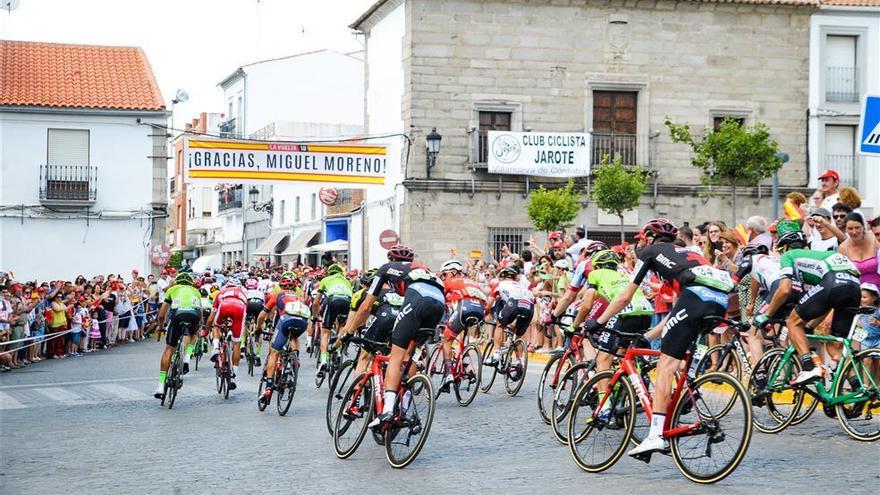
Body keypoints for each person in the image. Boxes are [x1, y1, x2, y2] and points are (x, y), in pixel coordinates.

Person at [584, 218, 735, 457]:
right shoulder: (684, 256)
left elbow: (625, 297)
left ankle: (655, 435)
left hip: (696, 299)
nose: (640, 244)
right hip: (718, 302)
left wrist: (598, 322)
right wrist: (648, 336)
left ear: (649, 238)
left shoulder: (653, 252)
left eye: (642, 239)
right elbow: (675, 312)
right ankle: (686, 392)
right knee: (678, 355)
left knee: (665, 366)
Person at [340, 244, 446, 427]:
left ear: (391, 260)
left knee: (396, 357)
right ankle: (403, 407)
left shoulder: (386, 268)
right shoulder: (422, 268)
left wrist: (348, 332)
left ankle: (388, 410)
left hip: (418, 300)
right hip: (439, 303)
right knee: (409, 356)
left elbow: (365, 307)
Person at [756, 231, 861, 385]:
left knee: (793, 322)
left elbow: (784, 289)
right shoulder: (814, 257)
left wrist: (767, 314)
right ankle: (857, 386)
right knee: (834, 344)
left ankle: (809, 367)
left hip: (834, 281)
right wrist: (811, 325)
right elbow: (825, 303)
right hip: (854, 287)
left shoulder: (789, 255)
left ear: (784, 248)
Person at [573, 250, 652, 420]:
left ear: (596, 265)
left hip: (625, 314)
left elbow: (587, 305)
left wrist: (576, 325)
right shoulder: (624, 275)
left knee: (603, 359)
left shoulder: (595, 274)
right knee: (624, 353)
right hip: (646, 314)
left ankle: (604, 407)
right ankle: (631, 384)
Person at [257, 272, 310, 404]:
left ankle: (268, 387)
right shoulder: (299, 296)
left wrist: (258, 328)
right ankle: (295, 358)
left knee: (274, 352)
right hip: (303, 322)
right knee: (294, 336)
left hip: (285, 320)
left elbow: (262, 315)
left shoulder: (278, 294)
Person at [438, 259, 488, 391]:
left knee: (446, 340)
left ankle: (448, 373)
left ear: (453, 272)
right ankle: (466, 366)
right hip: (480, 310)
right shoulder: (472, 282)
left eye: (445, 274)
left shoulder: (450, 281)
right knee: (461, 339)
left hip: (464, 308)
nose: (443, 277)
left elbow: (439, 298)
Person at [153, 272, 202, 399]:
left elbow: (162, 314)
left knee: (169, 348)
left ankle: (160, 385)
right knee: (193, 334)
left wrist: (161, 326)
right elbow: (200, 313)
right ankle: (186, 357)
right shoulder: (196, 291)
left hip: (178, 315)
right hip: (194, 315)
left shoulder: (172, 289)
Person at [485, 265, 535, 370]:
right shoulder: (522, 286)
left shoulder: (499, 284)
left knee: (500, 325)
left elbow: (488, 305)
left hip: (515, 302)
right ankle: (518, 361)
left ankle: (496, 354)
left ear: (502, 277)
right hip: (529, 306)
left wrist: (484, 314)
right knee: (519, 335)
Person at [310, 263, 352, 380]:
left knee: (325, 332)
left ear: (329, 272)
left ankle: (323, 360)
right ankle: (338, 350)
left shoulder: (325, 279)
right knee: (342, 326)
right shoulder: (347, 281)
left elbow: (315, 302)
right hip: (347, 301)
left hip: (332, 299)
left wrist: (314, 316)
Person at [206, 277, 248, 390]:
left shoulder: (221, 292)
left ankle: (215, 348)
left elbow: (211, 318)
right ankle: (234, 375)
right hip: (240, 308)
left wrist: (206, 330)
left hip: (225, 306)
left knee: (217, 326)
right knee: (236, 344)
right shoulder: (243, 293)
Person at [838, 212, 880, 287]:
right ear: (845, 230)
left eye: (857, 227)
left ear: (863, 227)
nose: (854, 232)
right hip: (856, 291)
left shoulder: (875, 238)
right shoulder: (843, 248)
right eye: (850, 229)